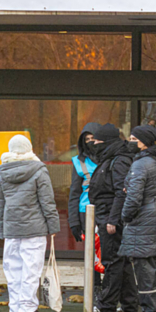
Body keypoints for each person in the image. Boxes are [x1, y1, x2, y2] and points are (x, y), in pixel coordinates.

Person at [0, 134, 60, 312]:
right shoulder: (39, 170)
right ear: (29, 148)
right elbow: (47, 202)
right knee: (32, 269)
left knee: (13, 269)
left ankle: (15, 309)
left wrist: (2, 229)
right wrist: (53, 226)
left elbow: (0, 205)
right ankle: (28, 308)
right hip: (34, 229)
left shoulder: (3, 173)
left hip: (11, 229)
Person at [118, 124, 156, 312]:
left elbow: (134, 197)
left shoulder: (140, 164)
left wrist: (125, 216)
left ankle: (151, 311)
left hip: (144, 221)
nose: (130, 142)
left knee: (145, 268)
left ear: (143, 143)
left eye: (134, 139)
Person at [87, 123, 139, 312]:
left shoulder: (118, 161)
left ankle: (107, 305)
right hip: (106, 214)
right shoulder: (110, 159)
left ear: (107, 141)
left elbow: (120, 192)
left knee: (112, 261)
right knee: (121, 261)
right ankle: (130, 304)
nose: (94, 144)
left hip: (109, 216)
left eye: (97, 141)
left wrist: (112, 219)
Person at [67, 122, 100, 296]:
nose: (90, 142)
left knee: (107, 257)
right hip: (85, 213)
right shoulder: (78, 162)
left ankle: (109, 296)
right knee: (91, 257)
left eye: (93, 138)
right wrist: (73, 221)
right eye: (86, 139)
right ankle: (94, 294)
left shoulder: (112, 158)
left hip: (106, 212)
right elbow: (74, 192)